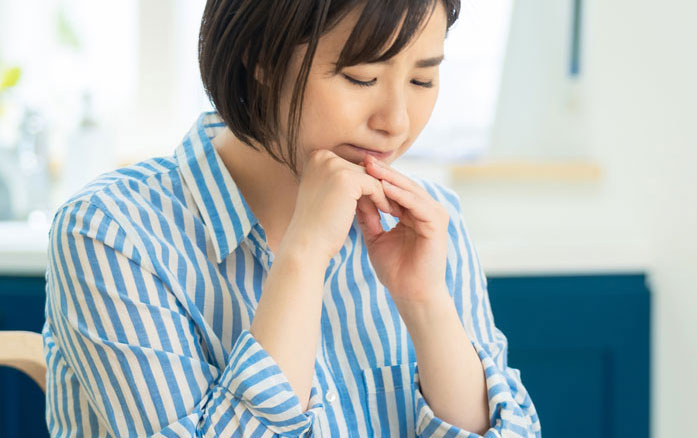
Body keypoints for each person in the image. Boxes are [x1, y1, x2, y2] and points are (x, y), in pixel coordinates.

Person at [41, 0, 540, 436]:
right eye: (361, 77)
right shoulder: (111, 232)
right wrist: (304, 254)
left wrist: (425, 302)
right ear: (260, 56)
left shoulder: (428, 222)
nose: (397, 121)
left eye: (421, 80)